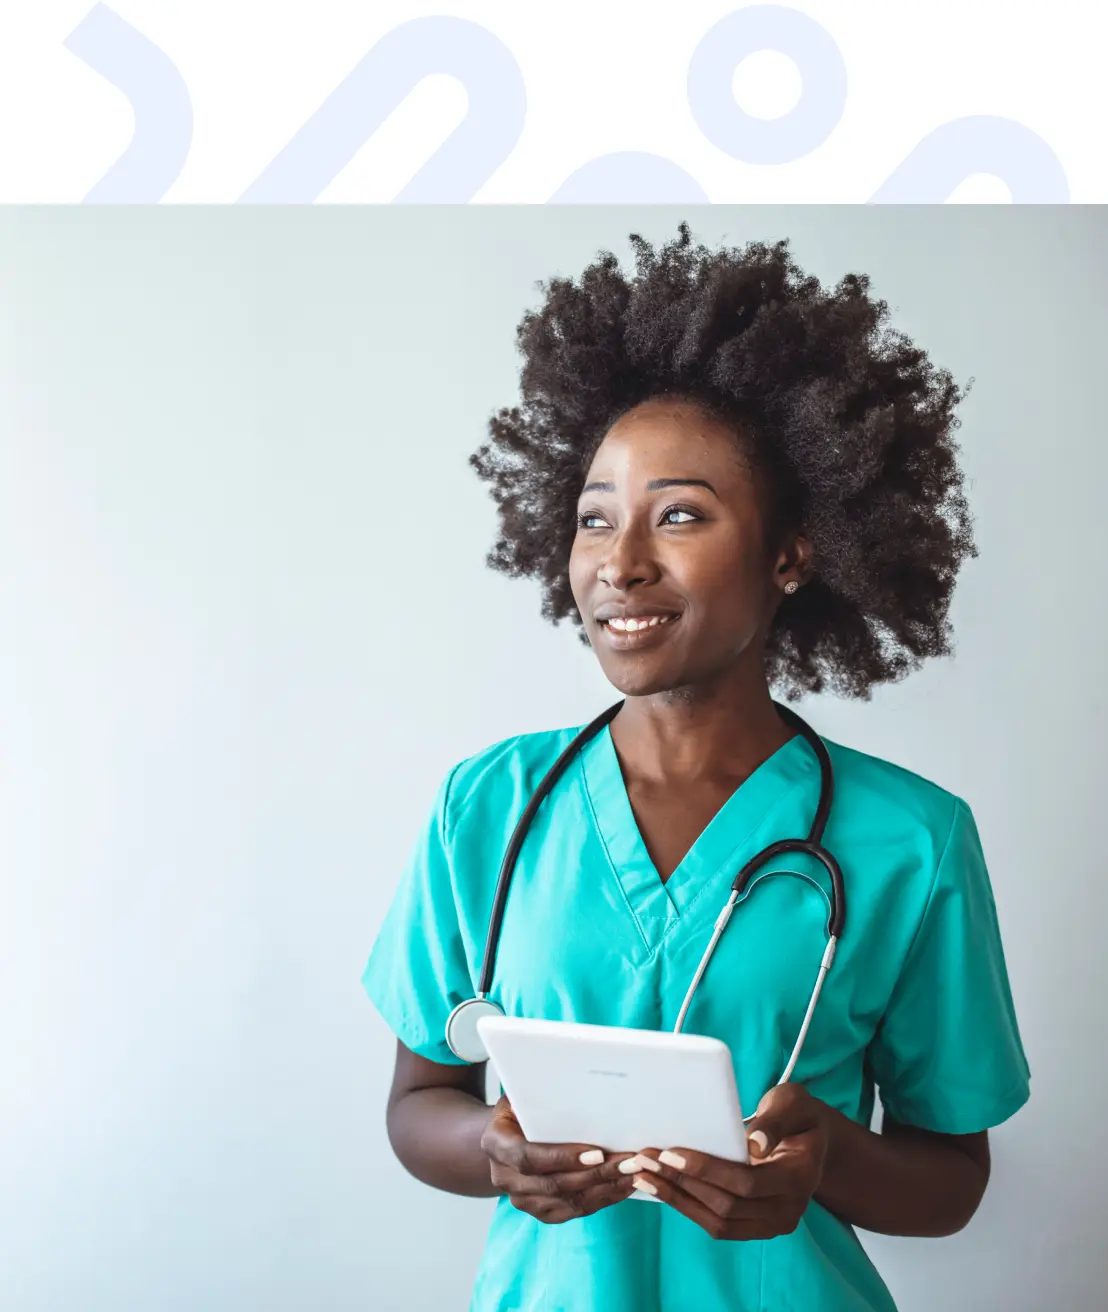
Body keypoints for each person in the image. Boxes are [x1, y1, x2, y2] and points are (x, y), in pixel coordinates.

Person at [361, 224, 1030, 1312]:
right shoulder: (486, 806)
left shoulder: (911, 839)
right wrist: (495, 1150)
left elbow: (951, 1174)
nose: (619, 563)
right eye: (592, 519)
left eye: (679, 515)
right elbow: (418, 1103)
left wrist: (829, 1164)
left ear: (790, 551)